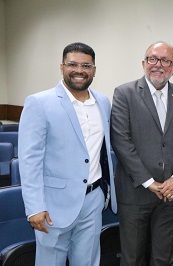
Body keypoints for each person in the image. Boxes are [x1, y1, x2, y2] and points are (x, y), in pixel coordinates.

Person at [18, 42, 116, 266]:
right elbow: (29, 159)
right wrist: (34, 207)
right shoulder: (39, 102)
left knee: (88, 261)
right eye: (72, 64)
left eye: (86, 65)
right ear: (62, 67)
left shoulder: (102, 102)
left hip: (93, 199)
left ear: (94, 70)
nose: (79, 70)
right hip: (53, 205)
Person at [110, 41, 173, 266]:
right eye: (153, 59)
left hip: (171, 194)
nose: (158, 65)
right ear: (144, 63)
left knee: (165, 258)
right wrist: (148, 181)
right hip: (135, 192)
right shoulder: (124, 93)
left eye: (165, 61)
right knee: (132, 259)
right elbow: (121, 141)